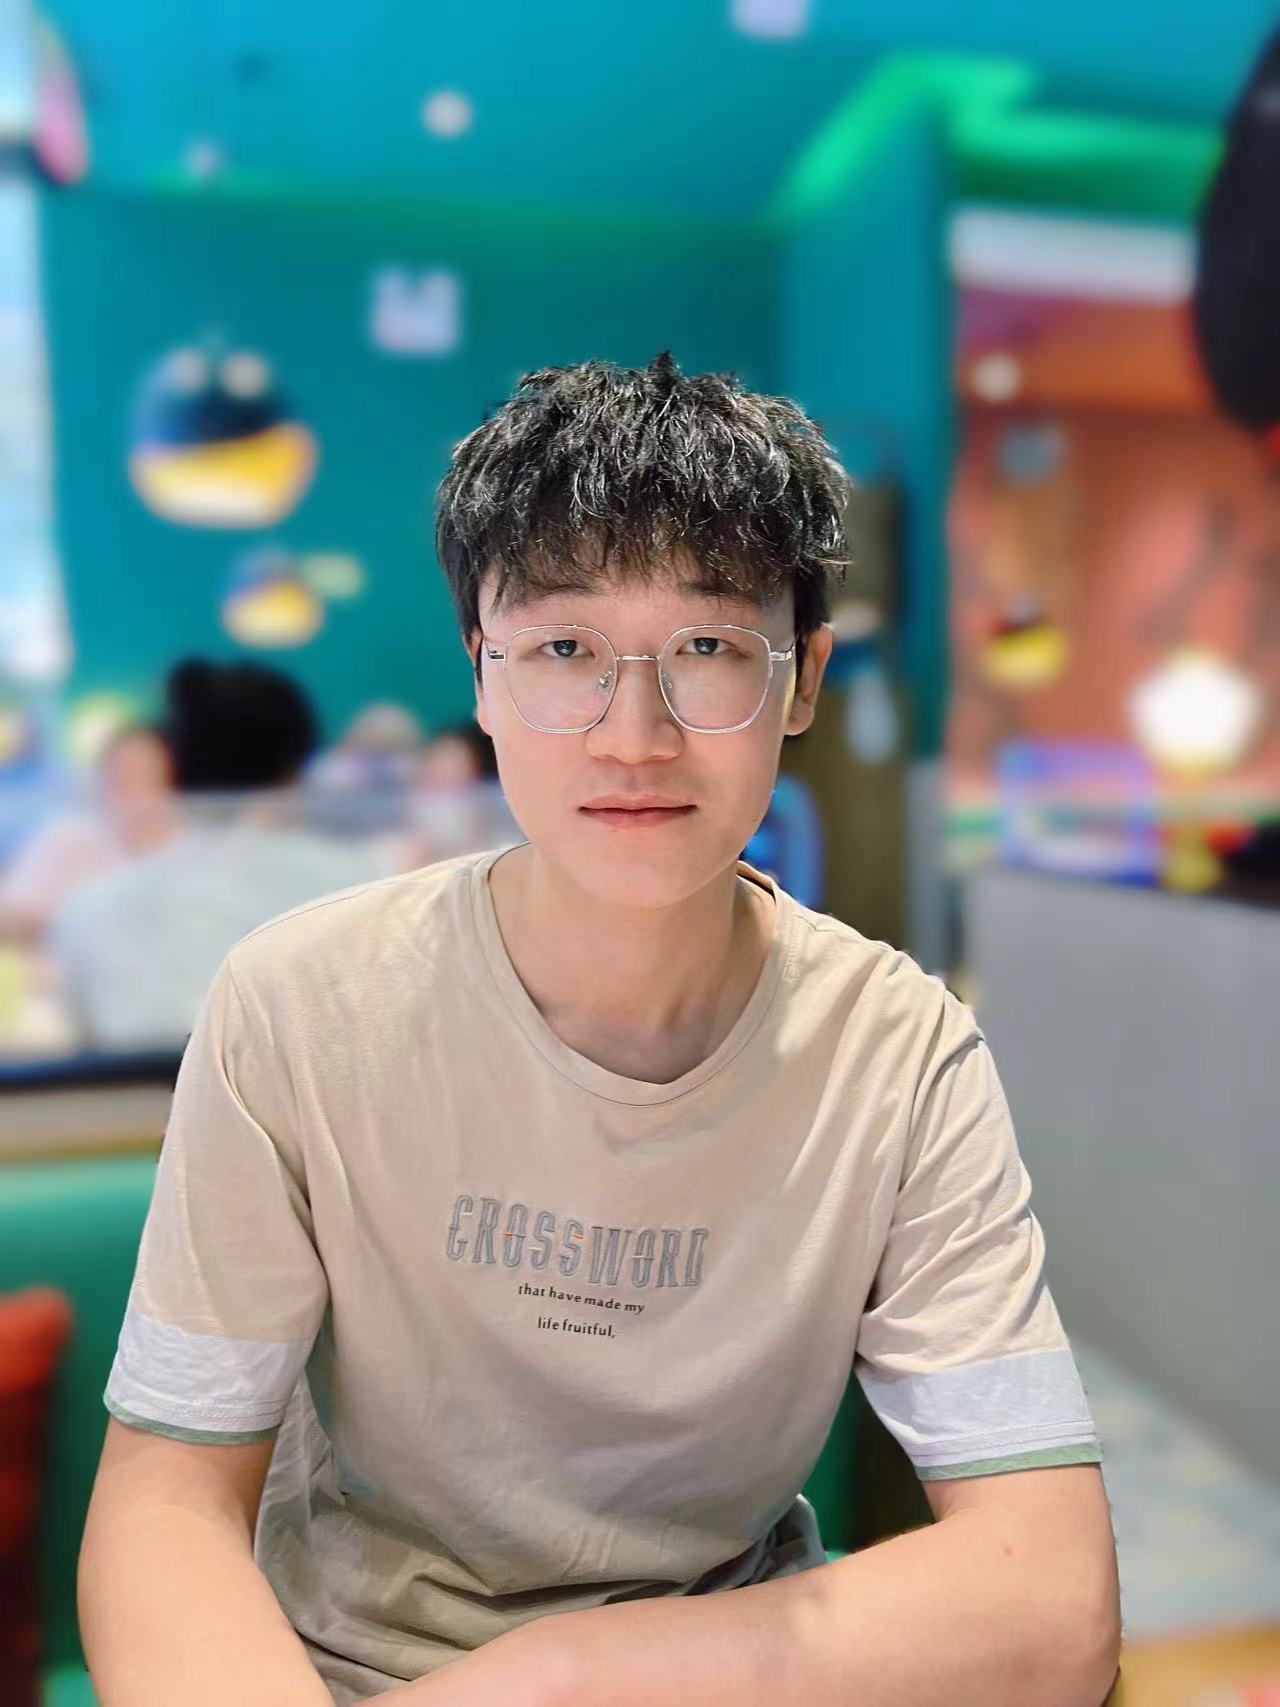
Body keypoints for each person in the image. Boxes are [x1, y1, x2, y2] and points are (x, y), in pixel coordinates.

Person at [80, 355, 1121, 1707]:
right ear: (482, 674)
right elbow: (165, 1501)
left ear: (801, 679)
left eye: (708, 649)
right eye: (564, 649)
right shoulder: (297, 1005)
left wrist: (554, 1674)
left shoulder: (897, 1054)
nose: (635, 736)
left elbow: (1053, 1598)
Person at [50, 659, 390, 1052]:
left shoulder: (90, 909)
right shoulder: (360, 887)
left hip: (147, 1096)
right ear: (295, 767)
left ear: (172, 769)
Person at [0, 722, 178, 947]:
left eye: (147, 779)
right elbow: (10, 916)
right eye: (123, 780)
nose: (136, 796)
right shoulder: (68, 842)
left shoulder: (191, 849)